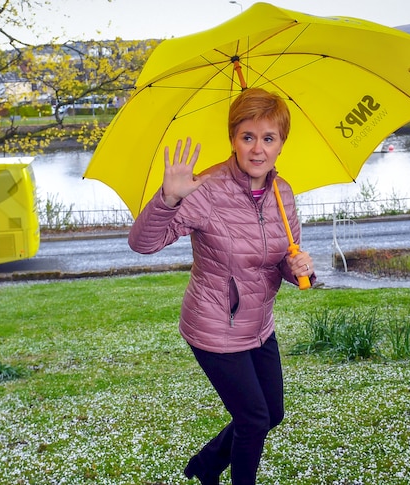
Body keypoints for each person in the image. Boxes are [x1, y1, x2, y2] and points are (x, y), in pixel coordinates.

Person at [128, 88, 315, 485]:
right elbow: (142, 244)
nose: (258, 149)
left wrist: (299, 267)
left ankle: (206, 464)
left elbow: (282, 258)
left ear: (282, 143)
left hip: (258, 324)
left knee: (272, 413)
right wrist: (168, 198)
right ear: (233, 138)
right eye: (248, 137)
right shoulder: (207, 189)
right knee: (253, 418)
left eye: (269, 138)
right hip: (214, 324)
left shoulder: (282, 194)